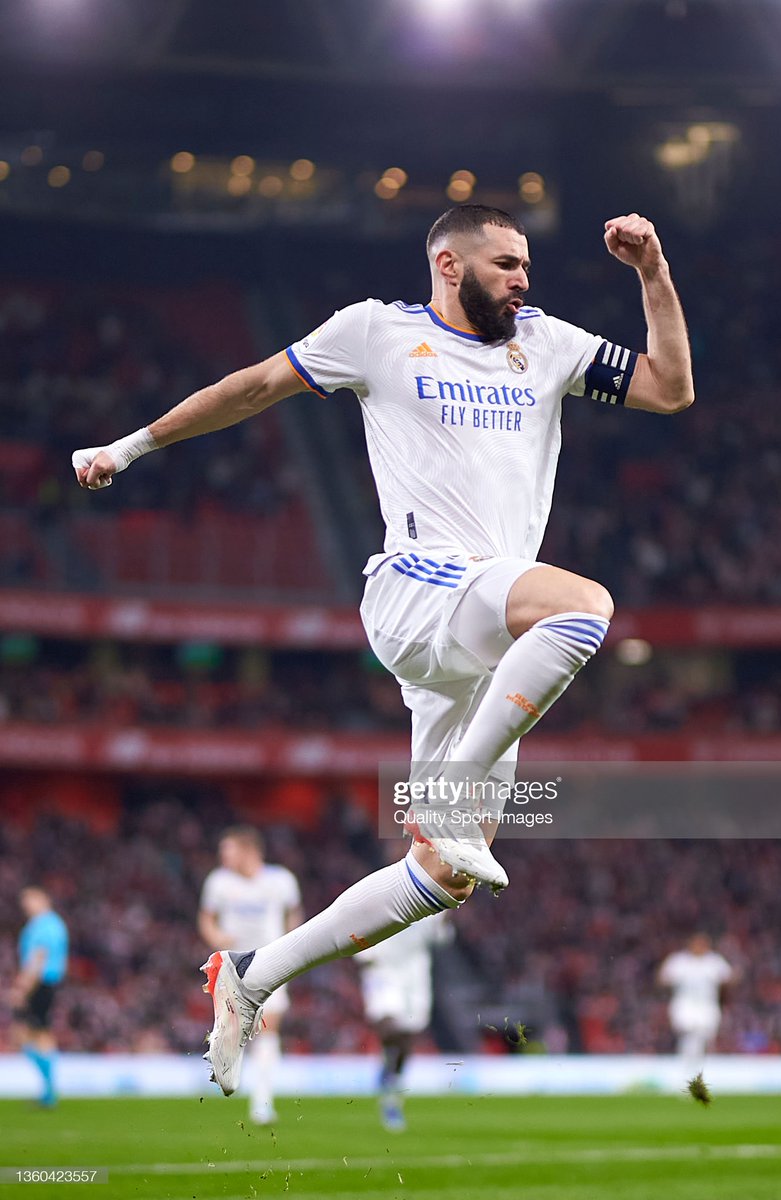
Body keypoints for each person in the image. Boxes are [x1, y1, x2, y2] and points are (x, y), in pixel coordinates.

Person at [72, 204, 694, 1096]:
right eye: (507, 263)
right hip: (419, 587)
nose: (525, 277)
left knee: (444, 879)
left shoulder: (547, 344)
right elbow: (252, 386)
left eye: (526, 263)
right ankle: (441, 794)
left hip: (483, 643)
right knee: (583, 607)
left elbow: (670, 387)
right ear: (449, 263)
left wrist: (653, 272)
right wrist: (129, 447)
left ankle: (251, 975)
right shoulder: (373, 334)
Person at [198, 826, 303, 1123]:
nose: (222, 857)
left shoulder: (280, 880)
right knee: (236, 1030)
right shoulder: (218, 882)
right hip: (233, 965)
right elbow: (206, 920)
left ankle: (262, 1100)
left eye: (227, 850)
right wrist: (217, 937)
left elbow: (294, 914)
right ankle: (235, 1085)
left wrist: (290, 944)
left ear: (248, 850)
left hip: (272, 961)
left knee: (268, 1028)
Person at [358, 906, 451, 1131]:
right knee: (391, 1027)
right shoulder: (382, 896)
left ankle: (390, 1085)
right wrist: (364, 953)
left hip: (415, 978)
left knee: (407, 1038)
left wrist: (446, 917)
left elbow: (440, 937)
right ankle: (389, 1075)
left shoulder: (433, 902)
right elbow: (359, 931)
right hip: (383, 972)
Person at [10, 886, 69, 1107]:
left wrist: (22, 987)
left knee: (32, 1033)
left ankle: (49, 1090)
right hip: (44, 983)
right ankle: (48, 1088)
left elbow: (38, 958)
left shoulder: (45, 925)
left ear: (44, 899)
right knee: (33, 1033)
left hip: (40, 983)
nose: (26, 905)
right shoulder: (49, 923)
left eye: (31, 900)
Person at [658, 932, 734, 1079]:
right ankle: (690, 1072)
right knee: (691, 1034)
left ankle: (692, 1071)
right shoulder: (679, 961)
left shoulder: (714, 961)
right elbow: (662, 978)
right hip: (684, 1005)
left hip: (707, 1006)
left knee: (704, 1039)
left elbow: (729, 978)